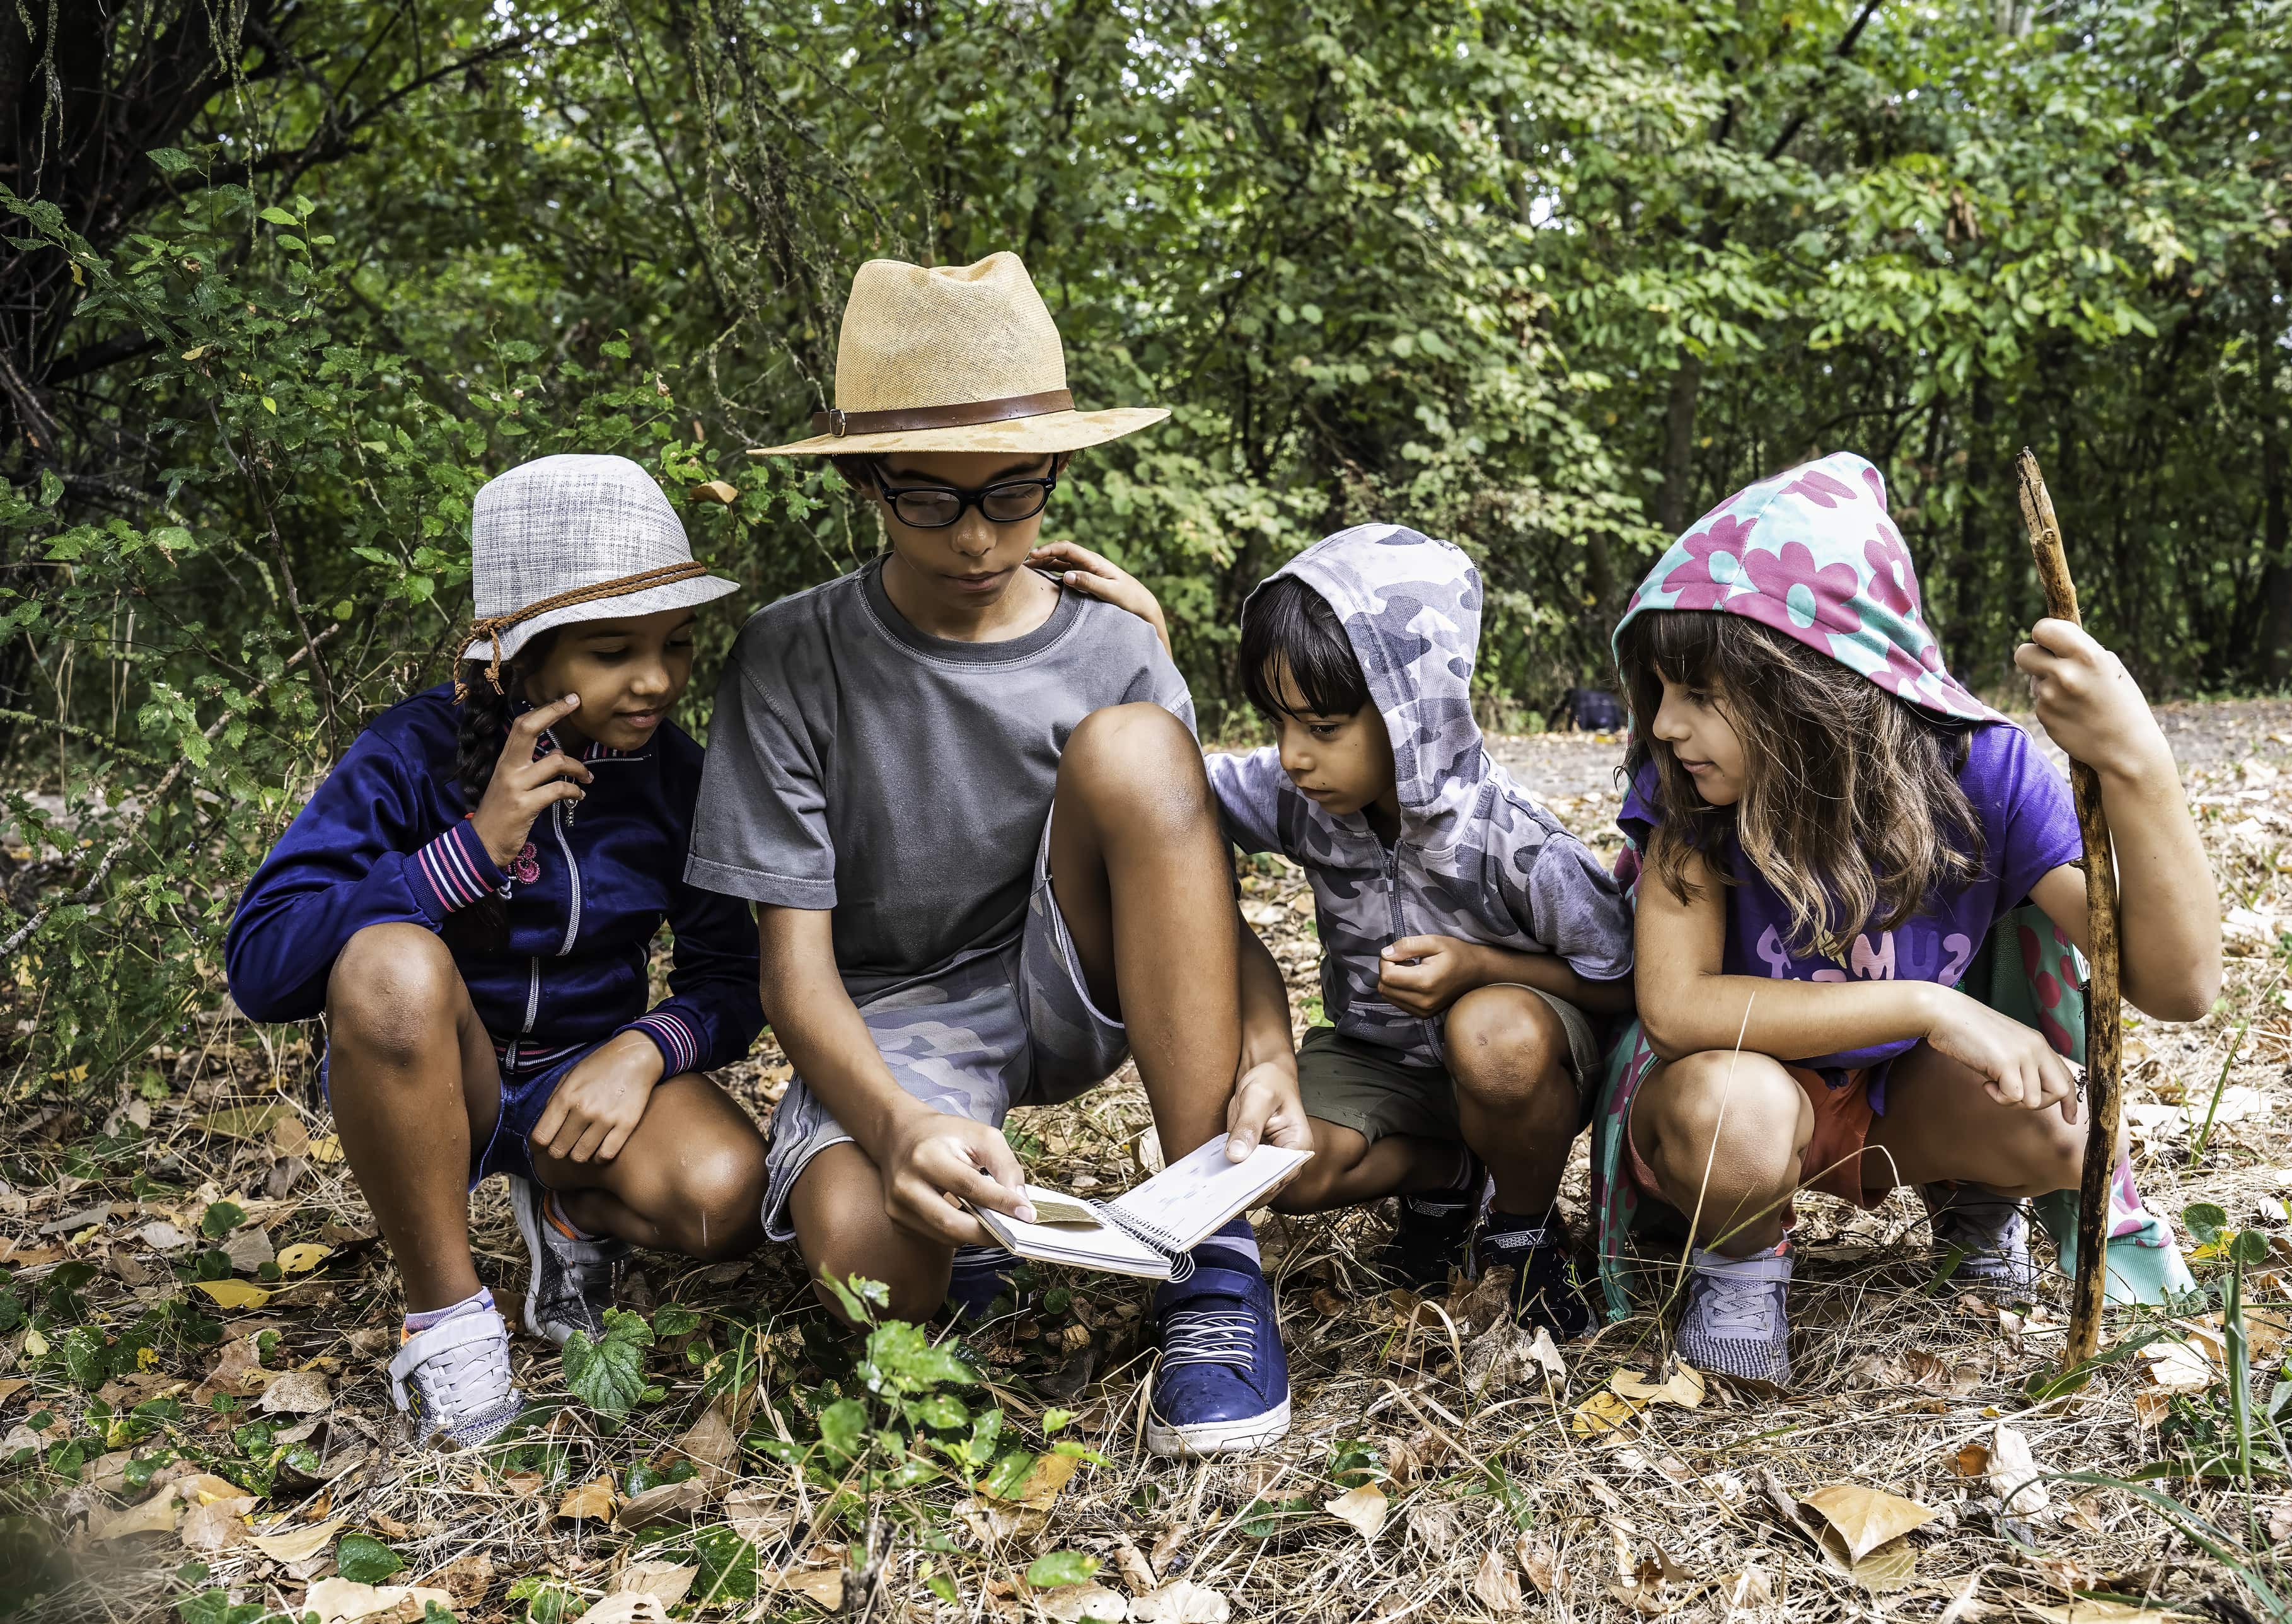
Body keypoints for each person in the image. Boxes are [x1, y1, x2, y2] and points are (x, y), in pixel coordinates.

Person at [688, 252, 1305, 1459]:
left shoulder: (1116, 649)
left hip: (1072, 977)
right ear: (865, 480)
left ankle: (1214, 1261)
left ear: (1054, 474)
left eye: (1012, 494)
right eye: (930, 499)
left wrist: (1269, 1052)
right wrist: (894, 1127)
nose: (976, 537)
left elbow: (1200, 911)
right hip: (893, 1016)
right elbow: (792, 976)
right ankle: (968, 1235)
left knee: (1138, 748)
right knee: (873, 1272)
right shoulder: (789, 656)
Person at [1601, 451, 2221, 1384]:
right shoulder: (1686, 793)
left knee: (2067, 1124)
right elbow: (1678, 1010)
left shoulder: (1982, 773)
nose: (1663, 725)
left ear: (1810, 685)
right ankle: (1737, 1257)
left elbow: (2179, 986)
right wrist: (1931, 1005)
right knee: (1739, 1117)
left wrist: (2140, 763)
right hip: (1730, 1100)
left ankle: (1974, 1201)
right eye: (1660, 691)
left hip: (1898, 1100)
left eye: (1697, 694)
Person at [226, 455, 769, 1447]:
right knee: (391, 964)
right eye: (615, 650)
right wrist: (472, 851)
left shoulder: (677, 779)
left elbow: (733, 976)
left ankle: (569, 1217)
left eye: (678, 643)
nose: (657, 679)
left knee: (727, 1200)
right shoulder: (407, 757)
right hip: (439, 1082)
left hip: (583, 1091)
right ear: (512, 663)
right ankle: (448, 1324)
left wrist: (642, 1050)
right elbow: (263, 965)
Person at [1063, 528, 1634, 1336]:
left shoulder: (1515, 839)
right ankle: (1449, 1175)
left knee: (1492, 1034)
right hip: (1379, 1060)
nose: (1294, 755)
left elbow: (1621, 978)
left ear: (1413, 713)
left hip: (1517, 1069)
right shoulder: (1301, 797)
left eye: (1323, 726)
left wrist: (1479, 967)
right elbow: (1169, 787)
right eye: (1279, 722)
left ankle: (1523, 1229)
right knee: (1276, 1165)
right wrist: (1150, 647)